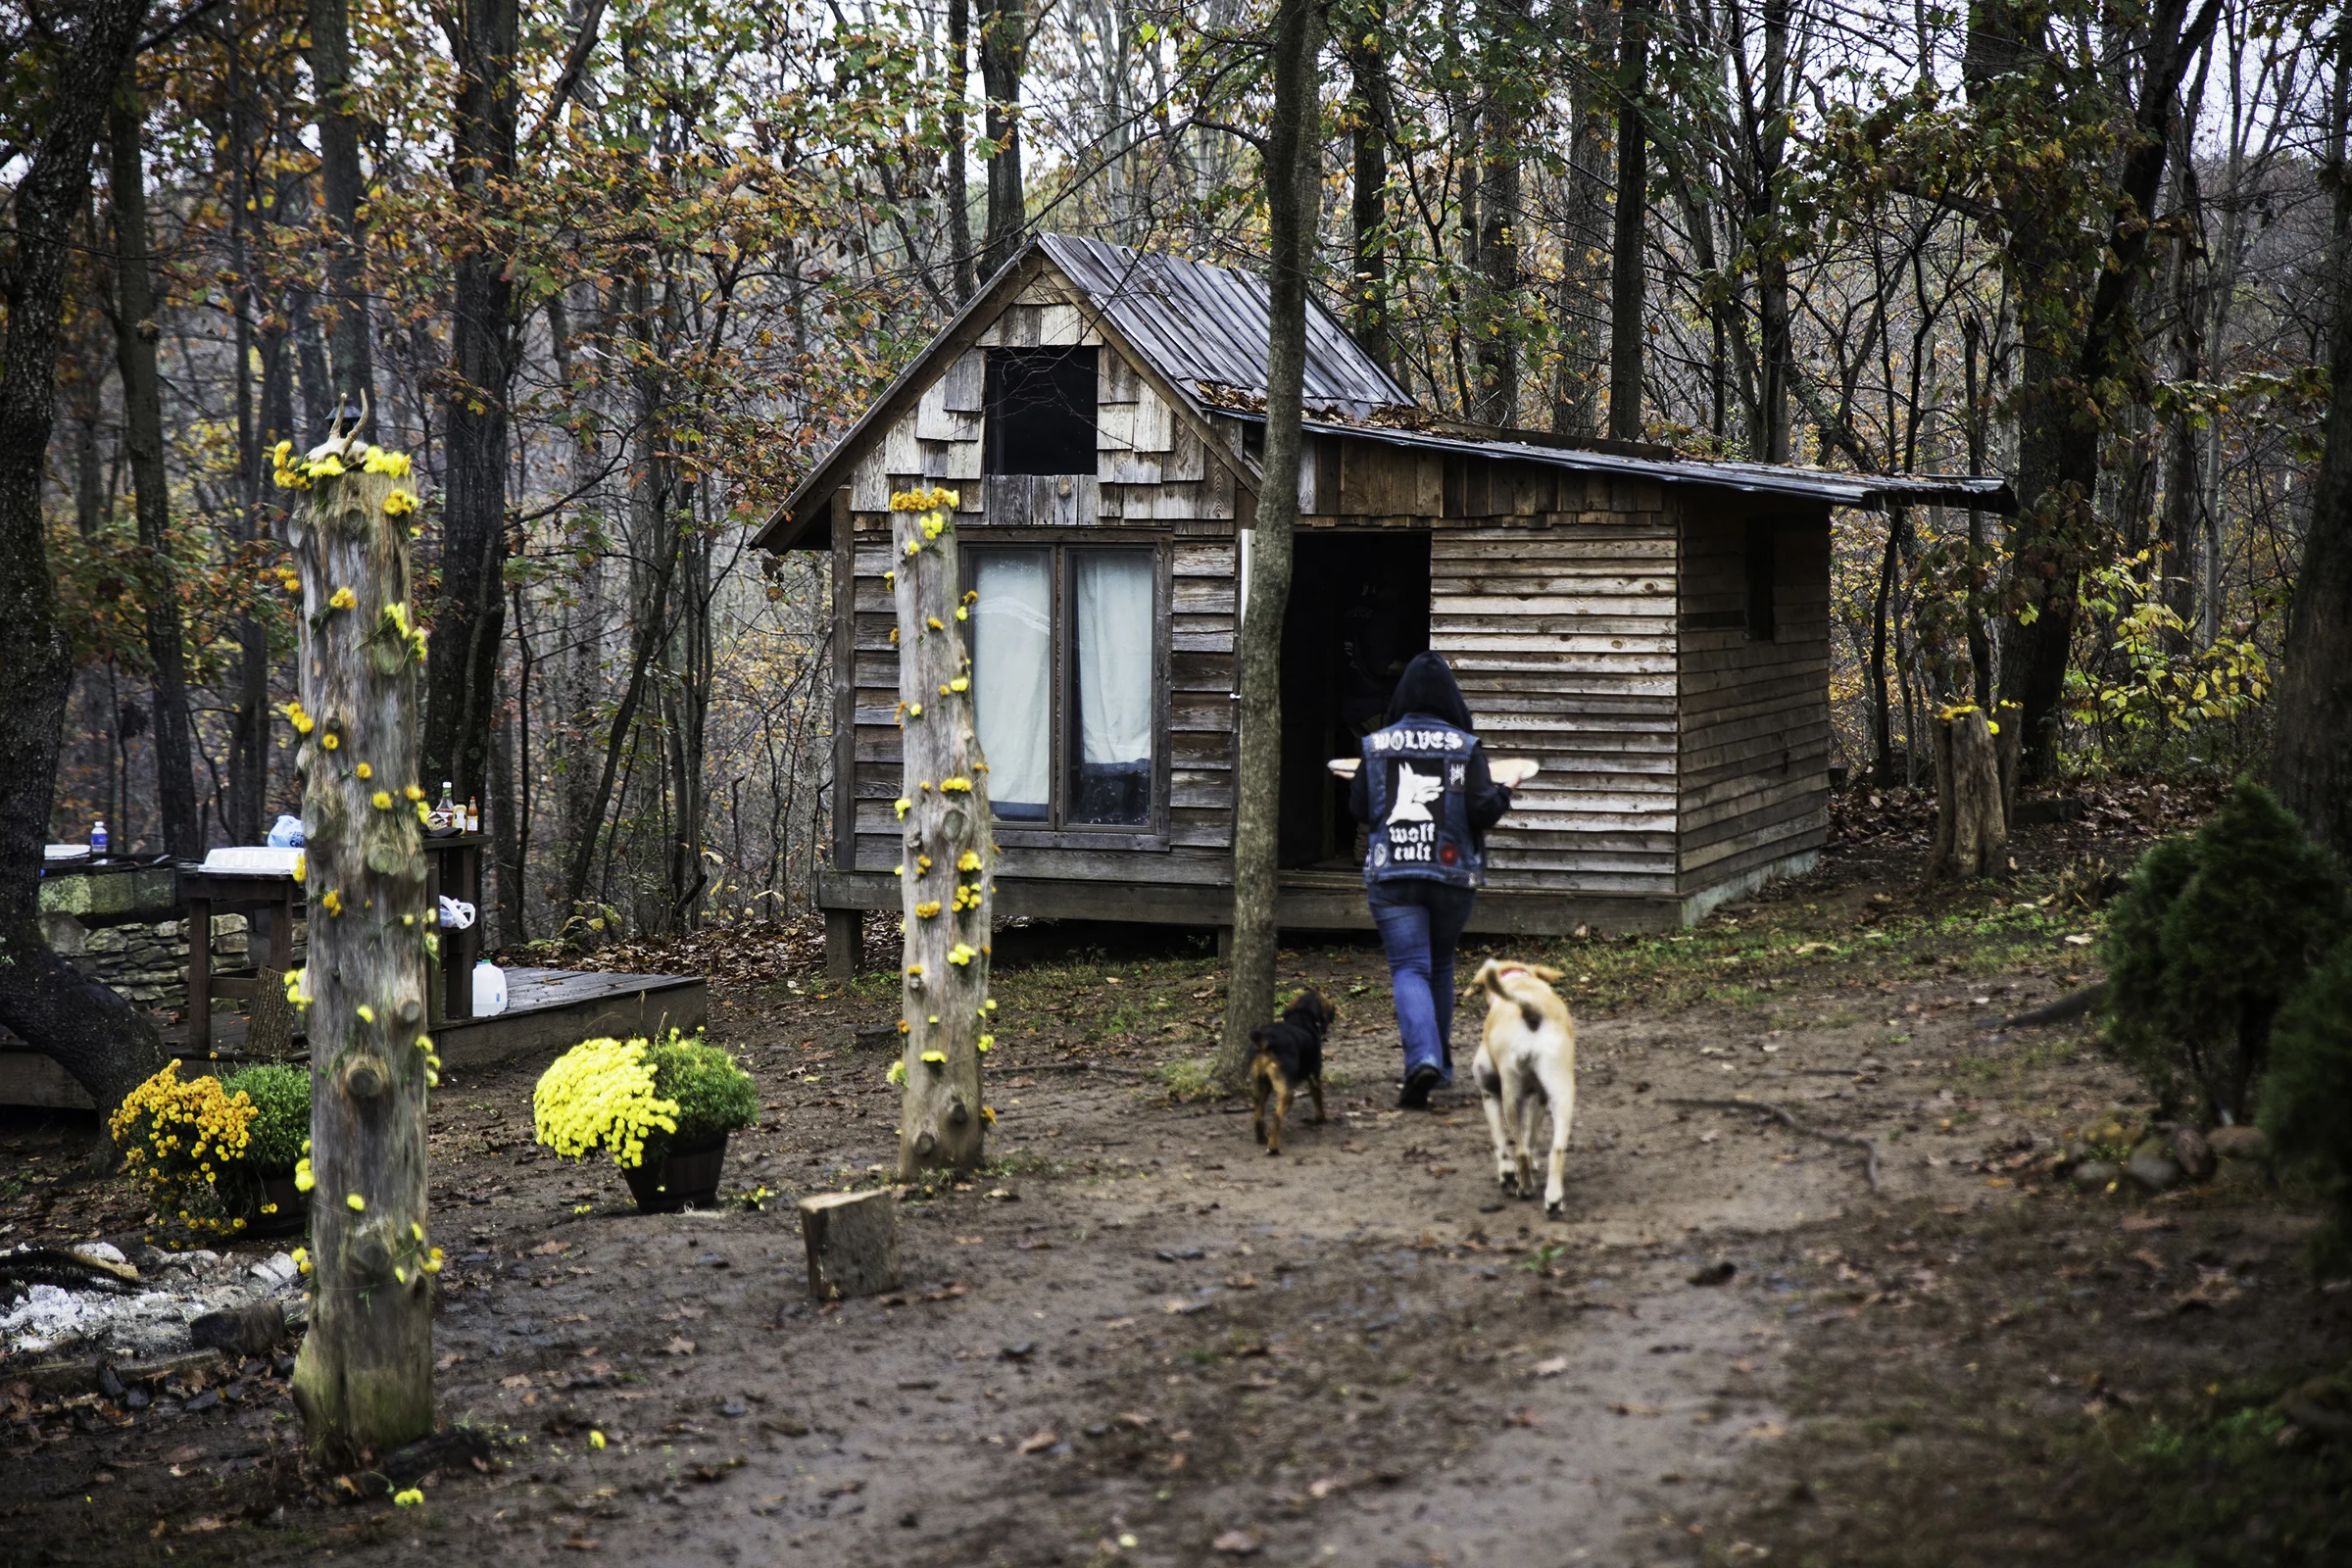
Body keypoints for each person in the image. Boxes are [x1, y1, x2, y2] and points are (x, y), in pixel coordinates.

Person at [1348, 652, 1513, 1108]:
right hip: (1450, 873)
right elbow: (1482, 809)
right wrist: (1505, 791)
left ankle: (1421, 1058)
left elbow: (1361, 809)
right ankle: (1437, 1067)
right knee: (1440, 966)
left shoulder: (1376, 745)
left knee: (1409, 968)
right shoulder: (1466, 746)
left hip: (1394, 873)